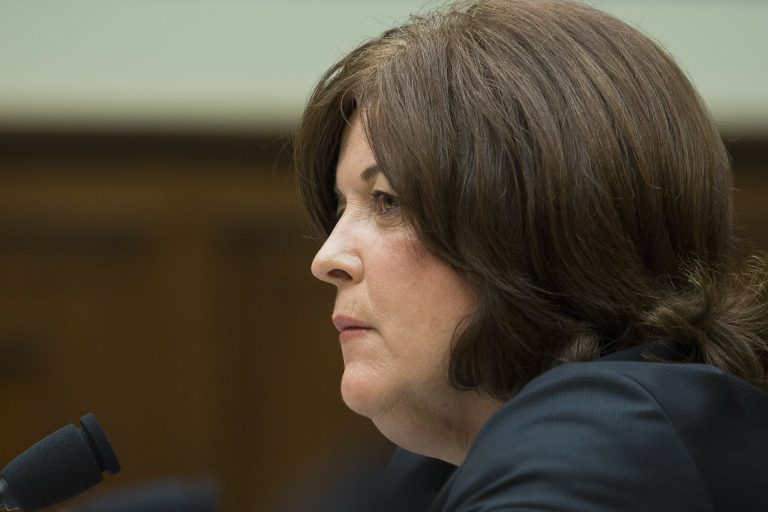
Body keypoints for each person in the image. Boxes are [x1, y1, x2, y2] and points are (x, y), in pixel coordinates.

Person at [293, 0, 768, 510]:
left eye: (388, 201)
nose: (327, 257)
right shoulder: (434, 465)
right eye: (342, 207)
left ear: (536, 224)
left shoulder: (600, 440)